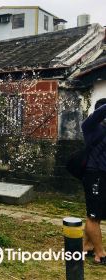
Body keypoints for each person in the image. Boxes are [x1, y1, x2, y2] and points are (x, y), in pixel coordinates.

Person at [81, 98, 106, 265]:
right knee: (94, 216)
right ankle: (100, 254)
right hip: (94, 174)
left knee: (97, 214)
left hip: (103, 174)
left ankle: (86, 246)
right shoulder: (91, 127)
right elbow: (95, 116)